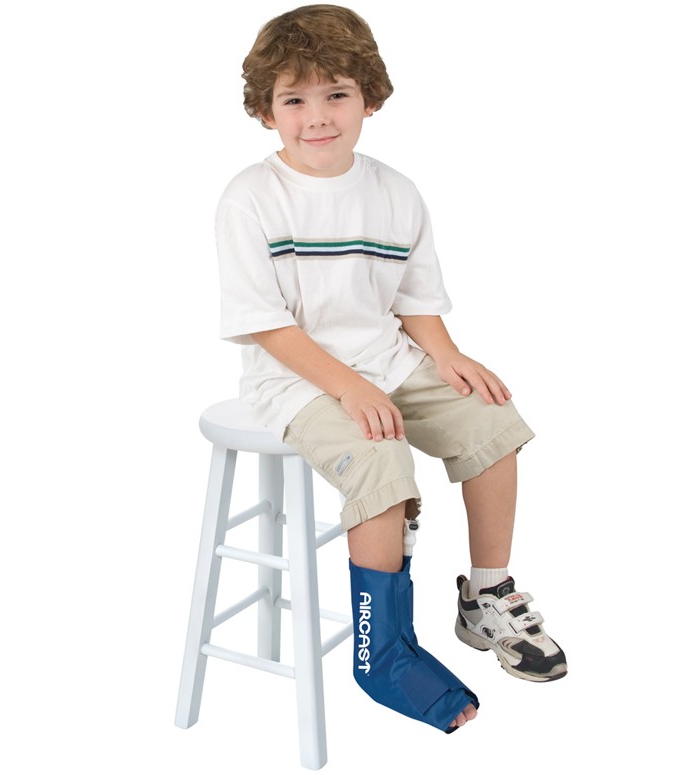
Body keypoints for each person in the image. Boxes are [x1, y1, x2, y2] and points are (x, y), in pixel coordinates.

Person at [215, 3, 567, 734]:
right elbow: (266, 324)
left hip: (387, 359)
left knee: (490, 419)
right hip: (294, 377)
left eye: (337, 94)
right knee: (382, 458)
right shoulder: (251, 197)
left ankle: (486, 594)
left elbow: (414, 299)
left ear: (369, 98)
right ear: (266, 111)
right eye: (294, 100)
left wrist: (448, 354)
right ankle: (381, 653)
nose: (318, 116)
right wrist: (349, 388)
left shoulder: (394, 191)